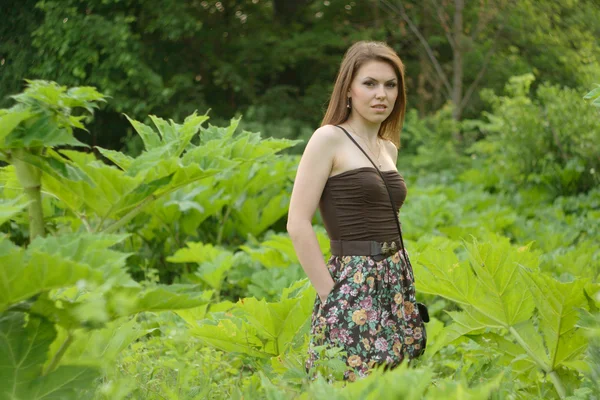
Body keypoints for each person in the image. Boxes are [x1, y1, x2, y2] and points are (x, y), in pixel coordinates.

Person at [286, 41, 426, 381]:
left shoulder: (388, 148)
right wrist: (329, 295)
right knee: (351, 384)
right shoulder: (328, 139)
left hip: (396, 279)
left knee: (393, 384)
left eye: (390, 85)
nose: (382, 94)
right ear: (349, 89)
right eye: (370, 83)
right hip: (353, 282)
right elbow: (298, 223)